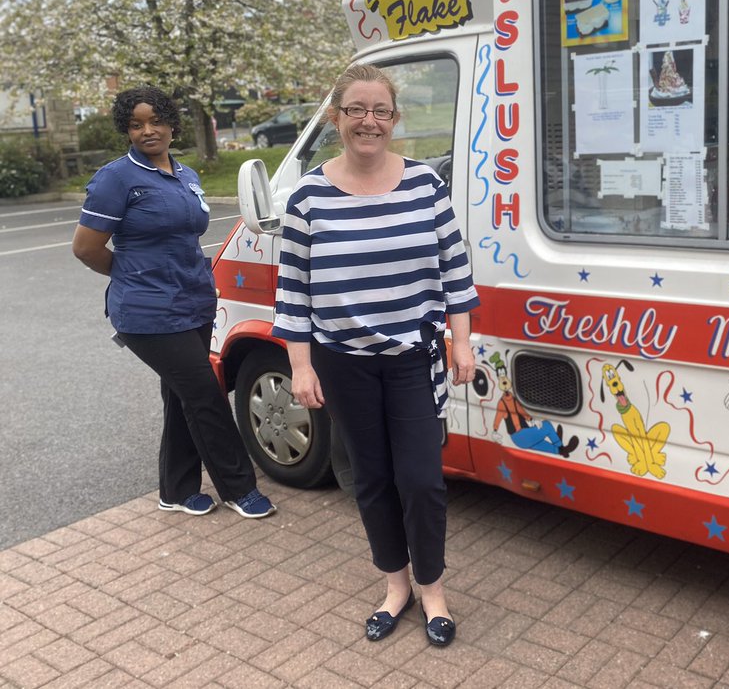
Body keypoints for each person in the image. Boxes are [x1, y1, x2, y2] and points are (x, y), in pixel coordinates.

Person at [272, 63, 478, 648]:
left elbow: (454, 268)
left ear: (394, 119)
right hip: (343, 362)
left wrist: (460, 339)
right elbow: (293, 288)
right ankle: (396, 585)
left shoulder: (424, 185)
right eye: (356, 110)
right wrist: (301, 364)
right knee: (372, 478)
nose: (369, 121)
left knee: (421, 480)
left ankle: (432, 587)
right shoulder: (308, 196)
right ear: (337, 118)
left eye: (380, 110)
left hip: (413, 356)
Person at [72, 86, 276, 520]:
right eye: (136, 124)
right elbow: (86, 248)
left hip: (194, 303)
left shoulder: (186, 175)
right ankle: (240, 488)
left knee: (182, 394)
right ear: (125, 130)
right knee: (205, 394)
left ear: (171, 123)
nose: (148, 131)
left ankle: (177, 490)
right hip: (146, 312)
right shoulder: (116, 178)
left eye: (156, 121)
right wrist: (133, 276)